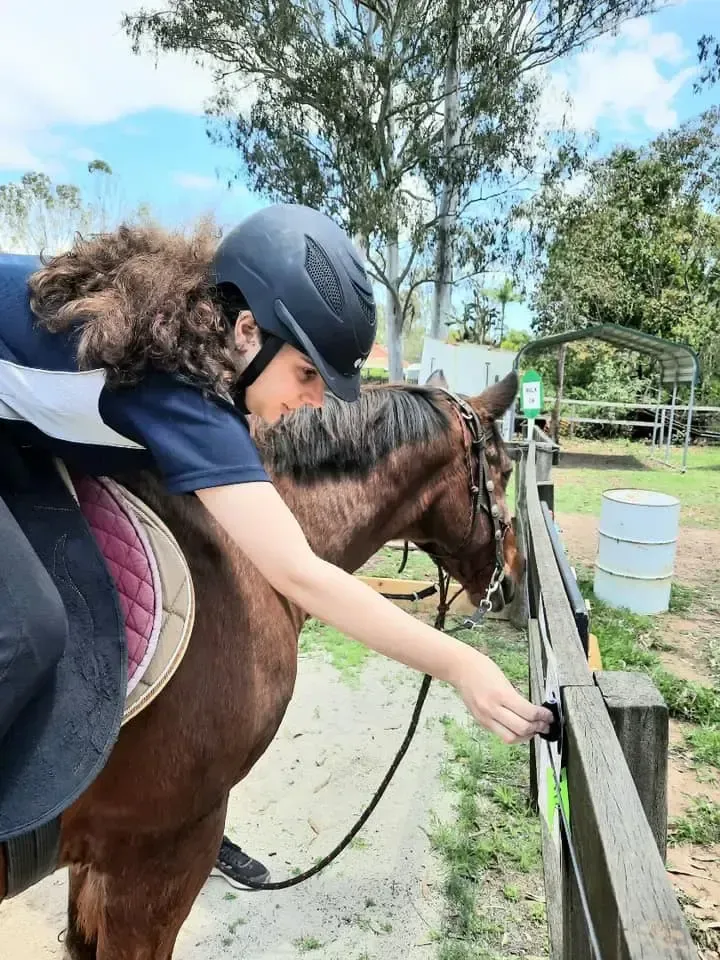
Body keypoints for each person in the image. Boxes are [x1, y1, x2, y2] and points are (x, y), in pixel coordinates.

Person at [0, 203, 552, 888]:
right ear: (246, 329)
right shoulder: (182, 393)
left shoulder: (196, 360)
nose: (316, 402)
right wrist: (462, 665)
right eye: (307, 375)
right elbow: (302, 575)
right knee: (29, 627)